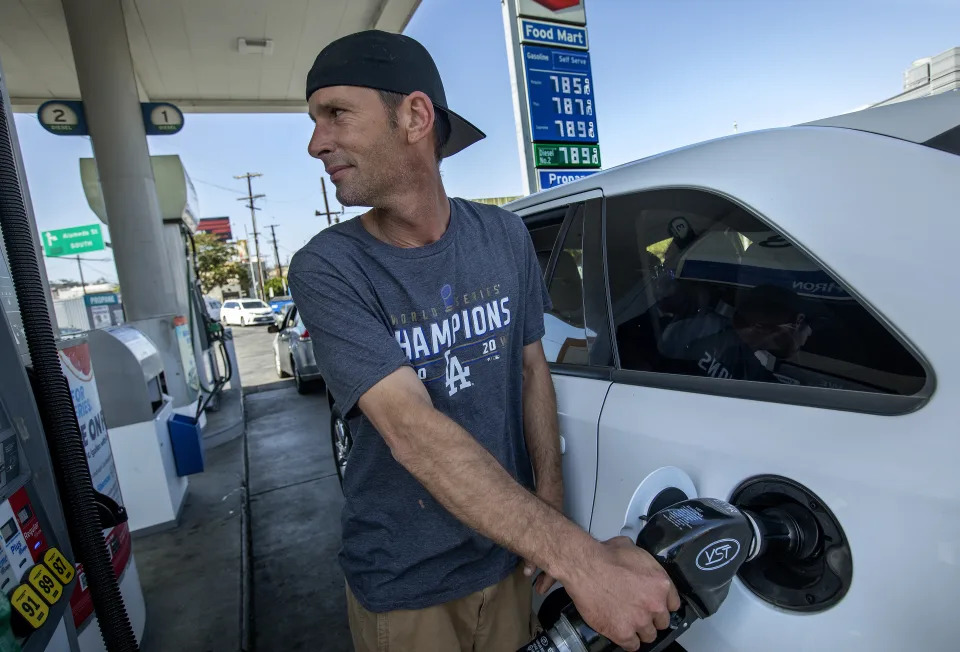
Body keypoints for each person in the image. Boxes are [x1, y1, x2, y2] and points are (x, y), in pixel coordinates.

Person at [287, 30, 680, 652]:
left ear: (414, 116)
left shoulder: (502, 235)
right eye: (314, 120)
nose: (316, 143)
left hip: (510, 560)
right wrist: (584, 562)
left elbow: (531, 371)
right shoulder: (329, 268)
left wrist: (550, 510)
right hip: (407, 585)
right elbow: (411, 429)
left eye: (335, 113)